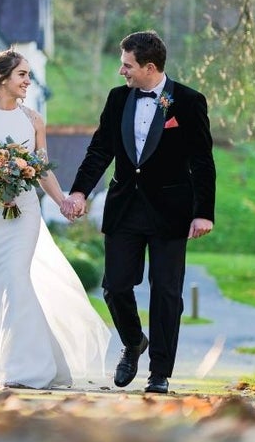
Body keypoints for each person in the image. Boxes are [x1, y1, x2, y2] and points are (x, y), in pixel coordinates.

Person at [61, 30, 215, 394]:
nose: (121, 72)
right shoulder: (118, 100)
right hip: (125, 208)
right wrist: (80, 190)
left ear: (149, 67)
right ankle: (133, 342)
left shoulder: (189, 102)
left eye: (127, 65)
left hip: (171, 213)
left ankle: (159, 372)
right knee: (114, 287)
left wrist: (203, 212)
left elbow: (202, 161)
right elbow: (100, 150)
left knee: (165, 292)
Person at [0, 49, 110, 389]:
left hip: (24, 212)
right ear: (2, 78)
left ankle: (27, 368)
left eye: (28, 75)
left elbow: (41, 171)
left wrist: (63, 202)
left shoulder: (34, 120)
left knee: (16, 278)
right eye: (22, 75)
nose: (28, 81)